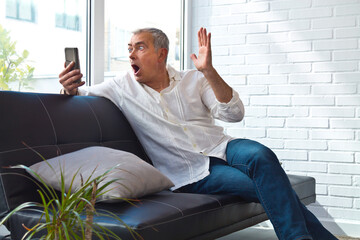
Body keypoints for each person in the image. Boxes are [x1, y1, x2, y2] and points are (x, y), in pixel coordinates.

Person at [59, 27, 338, 240]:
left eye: (139, 47)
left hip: (222, 147)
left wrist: (209, 71)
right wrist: (67, 87)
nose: (131, 54)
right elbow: (78, 94)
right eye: (129, 48)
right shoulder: (121, 87)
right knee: (265, 186)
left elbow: (234, 114)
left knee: (261, 155)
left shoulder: (194, 79)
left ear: (161, 54)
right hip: (190, 172)